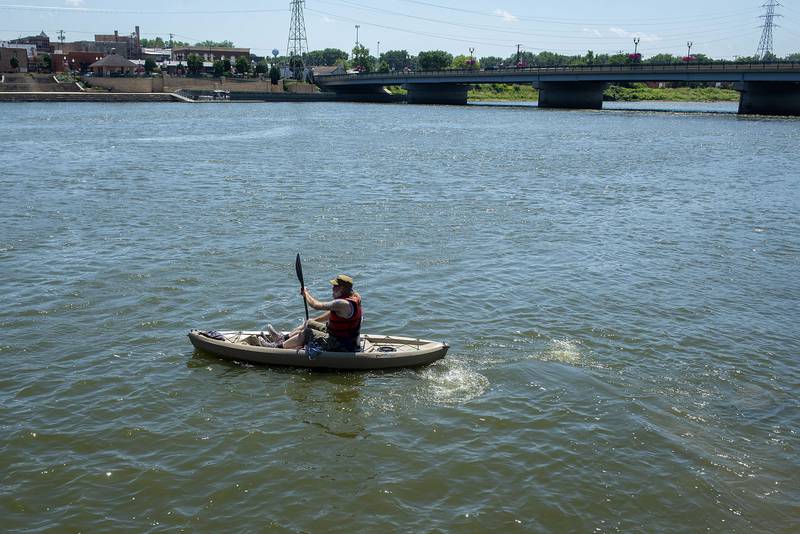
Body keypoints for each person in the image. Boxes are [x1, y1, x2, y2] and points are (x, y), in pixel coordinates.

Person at [267, 274, 363, 353]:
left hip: (342, 345)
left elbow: (316, 305)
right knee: (309, 323)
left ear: (341, 288)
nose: (332, 288)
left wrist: (306, 293)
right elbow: (332, 313)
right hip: (337, 336)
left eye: (335, 286)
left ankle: (276, 347)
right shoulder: (353, 297)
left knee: (307, 333)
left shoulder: (343, 303)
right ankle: (282, 338)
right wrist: (314, 320)